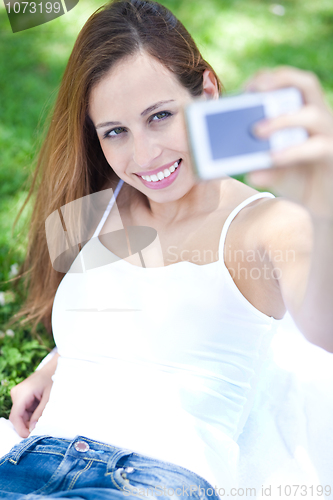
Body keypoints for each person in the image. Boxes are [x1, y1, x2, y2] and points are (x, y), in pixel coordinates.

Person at [1, 0, 333, 497]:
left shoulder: (265, 225)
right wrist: (58, 363)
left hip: (150, 480)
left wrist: (322, 200)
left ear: (208, 91)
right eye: (116, 131)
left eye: (159, 116)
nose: (144, 155)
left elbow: (324, 324)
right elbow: (127, 315)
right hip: (34, 458)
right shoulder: (99, 204)